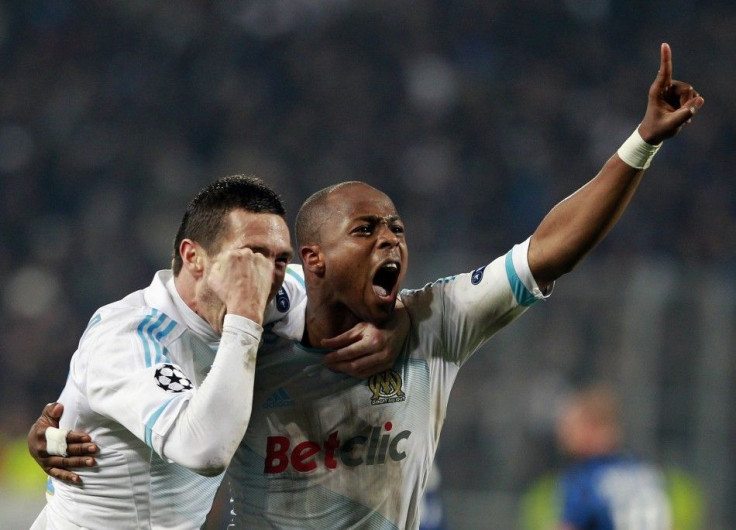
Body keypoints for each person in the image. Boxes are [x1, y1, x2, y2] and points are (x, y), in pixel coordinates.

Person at [31, 44, 703, 529]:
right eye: (366, 230)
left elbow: (546, 252)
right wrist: (52, 443)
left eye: (398, 228)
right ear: (317, 260)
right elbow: (144, 422)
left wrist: (641, 141)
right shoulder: (225, 336)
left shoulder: (422, 320)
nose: (391, 240)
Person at [28, 174, 404, 530]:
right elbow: (204, 450)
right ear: (193, 257)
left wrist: (392, 324)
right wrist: (244, 318)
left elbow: (343, 291)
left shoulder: (271, 293)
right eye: (252, 255)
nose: (268, 275)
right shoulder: (128, 338)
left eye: (278, 258)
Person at [519, 383, 705, 530]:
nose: (563, 432)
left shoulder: (584, 478)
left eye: (571, 424)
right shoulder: (645, 471)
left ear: (593, 428)